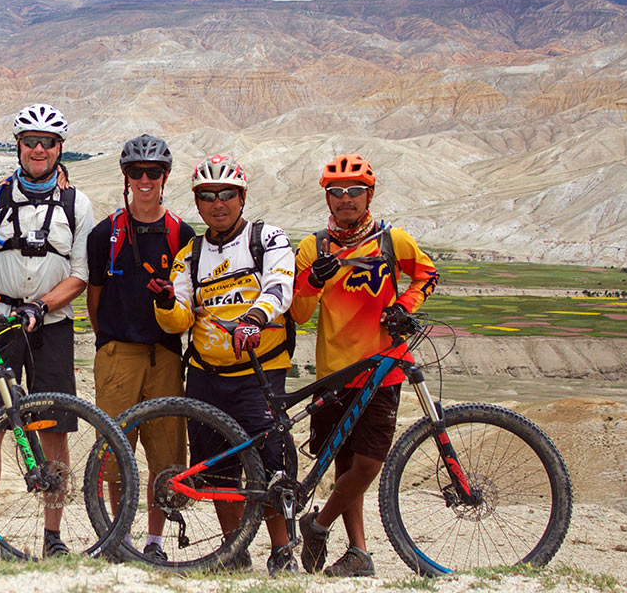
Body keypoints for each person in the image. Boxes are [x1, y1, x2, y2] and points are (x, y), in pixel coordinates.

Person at [290, 154, 439, 577]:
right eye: (336, 192)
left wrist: (405, 307)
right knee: (345, 465)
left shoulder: (393, 241)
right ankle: (359, 552)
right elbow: (300, 313)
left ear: (369, 195)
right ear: (327, 199)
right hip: (335, 372)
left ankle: (317, 526)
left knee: (368, 464)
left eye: (355, 191)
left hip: (383, 367)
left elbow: (426, 274)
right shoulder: (314, 247)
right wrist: (312, 281)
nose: (346, 199)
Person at [151, 154, 299, 575]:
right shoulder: (190, 254)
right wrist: (165, 303)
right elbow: (181, 317)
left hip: (260, 373)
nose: (218, 204)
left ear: (242, 197)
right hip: (206, 376)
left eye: (227, 195)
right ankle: (233, 550)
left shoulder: (266, 238)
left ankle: (282, 551)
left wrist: (253, 318)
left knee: (271, 466)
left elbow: (279, 286)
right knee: (216, 468)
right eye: (208, 196)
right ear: (197, 203)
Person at [0, 103, 94, 561]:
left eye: (48, 142)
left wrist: (40, 304)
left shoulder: (78, 204)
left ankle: (53, 536)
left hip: (51, 327)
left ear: (60, 148)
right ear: (17, 146)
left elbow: (80, 274)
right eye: (30, 141)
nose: (39, 149)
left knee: (55, 429)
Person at [85, 134, 195, 563]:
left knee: (165, 452)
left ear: (165, 177)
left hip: (165, 355)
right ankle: (118, 536)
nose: (145, 180)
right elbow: (94, 297)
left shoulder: (180, 233)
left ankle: (155, 541)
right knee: (114, 452)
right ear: (125, 176)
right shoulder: (104, 233)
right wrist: (109, 343)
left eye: (153, 172)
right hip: (119, 354)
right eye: (137, 172)